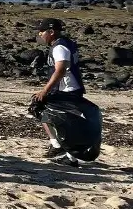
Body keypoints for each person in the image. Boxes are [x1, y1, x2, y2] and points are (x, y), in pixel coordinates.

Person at [32, 18, 96, 165]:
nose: (40, 34)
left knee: (55, 117)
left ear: (51, 32)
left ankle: (64, 151)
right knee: (42, 109)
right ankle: (59, 146)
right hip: (66, 89)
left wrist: (45, 90)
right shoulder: (64, 43)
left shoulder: (60, 47)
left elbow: (61, 70)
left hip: (67, 90)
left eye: (42, 31)